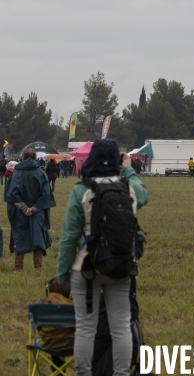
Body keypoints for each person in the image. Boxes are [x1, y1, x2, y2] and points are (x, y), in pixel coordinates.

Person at [57, 139, 146, 376]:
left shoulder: (81, 190)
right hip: (122, 265)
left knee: (86, 327)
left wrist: (62, 272)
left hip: (86, 266)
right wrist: (127, 168)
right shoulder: (128, 188)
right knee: (121, 326)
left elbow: (68, 237)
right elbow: (143, 194)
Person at [6, 148, 56, 271]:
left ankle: (18, 268)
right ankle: (38, 268)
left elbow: (12, 194)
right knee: (38, 239)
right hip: (37, 213)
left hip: (20, 213)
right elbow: (45, 195)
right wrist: (33, 209)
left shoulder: (16, 174)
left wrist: (23, 208)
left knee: (19, 237)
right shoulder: (41, 174)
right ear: (35, 158)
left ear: (22, 158)